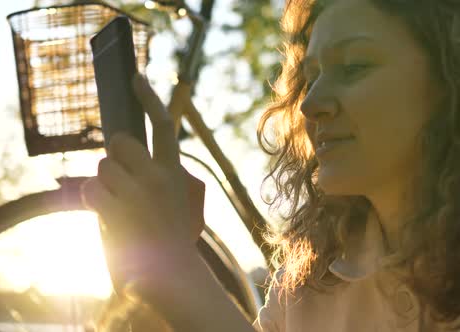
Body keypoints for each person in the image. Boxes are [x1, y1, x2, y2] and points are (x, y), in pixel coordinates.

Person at [80, 0, 460, 330]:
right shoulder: (310, 278)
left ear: (448, 78)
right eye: (311, 78)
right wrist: (149, 279)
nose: (310, 104)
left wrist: (178, 272)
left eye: (354, 66)